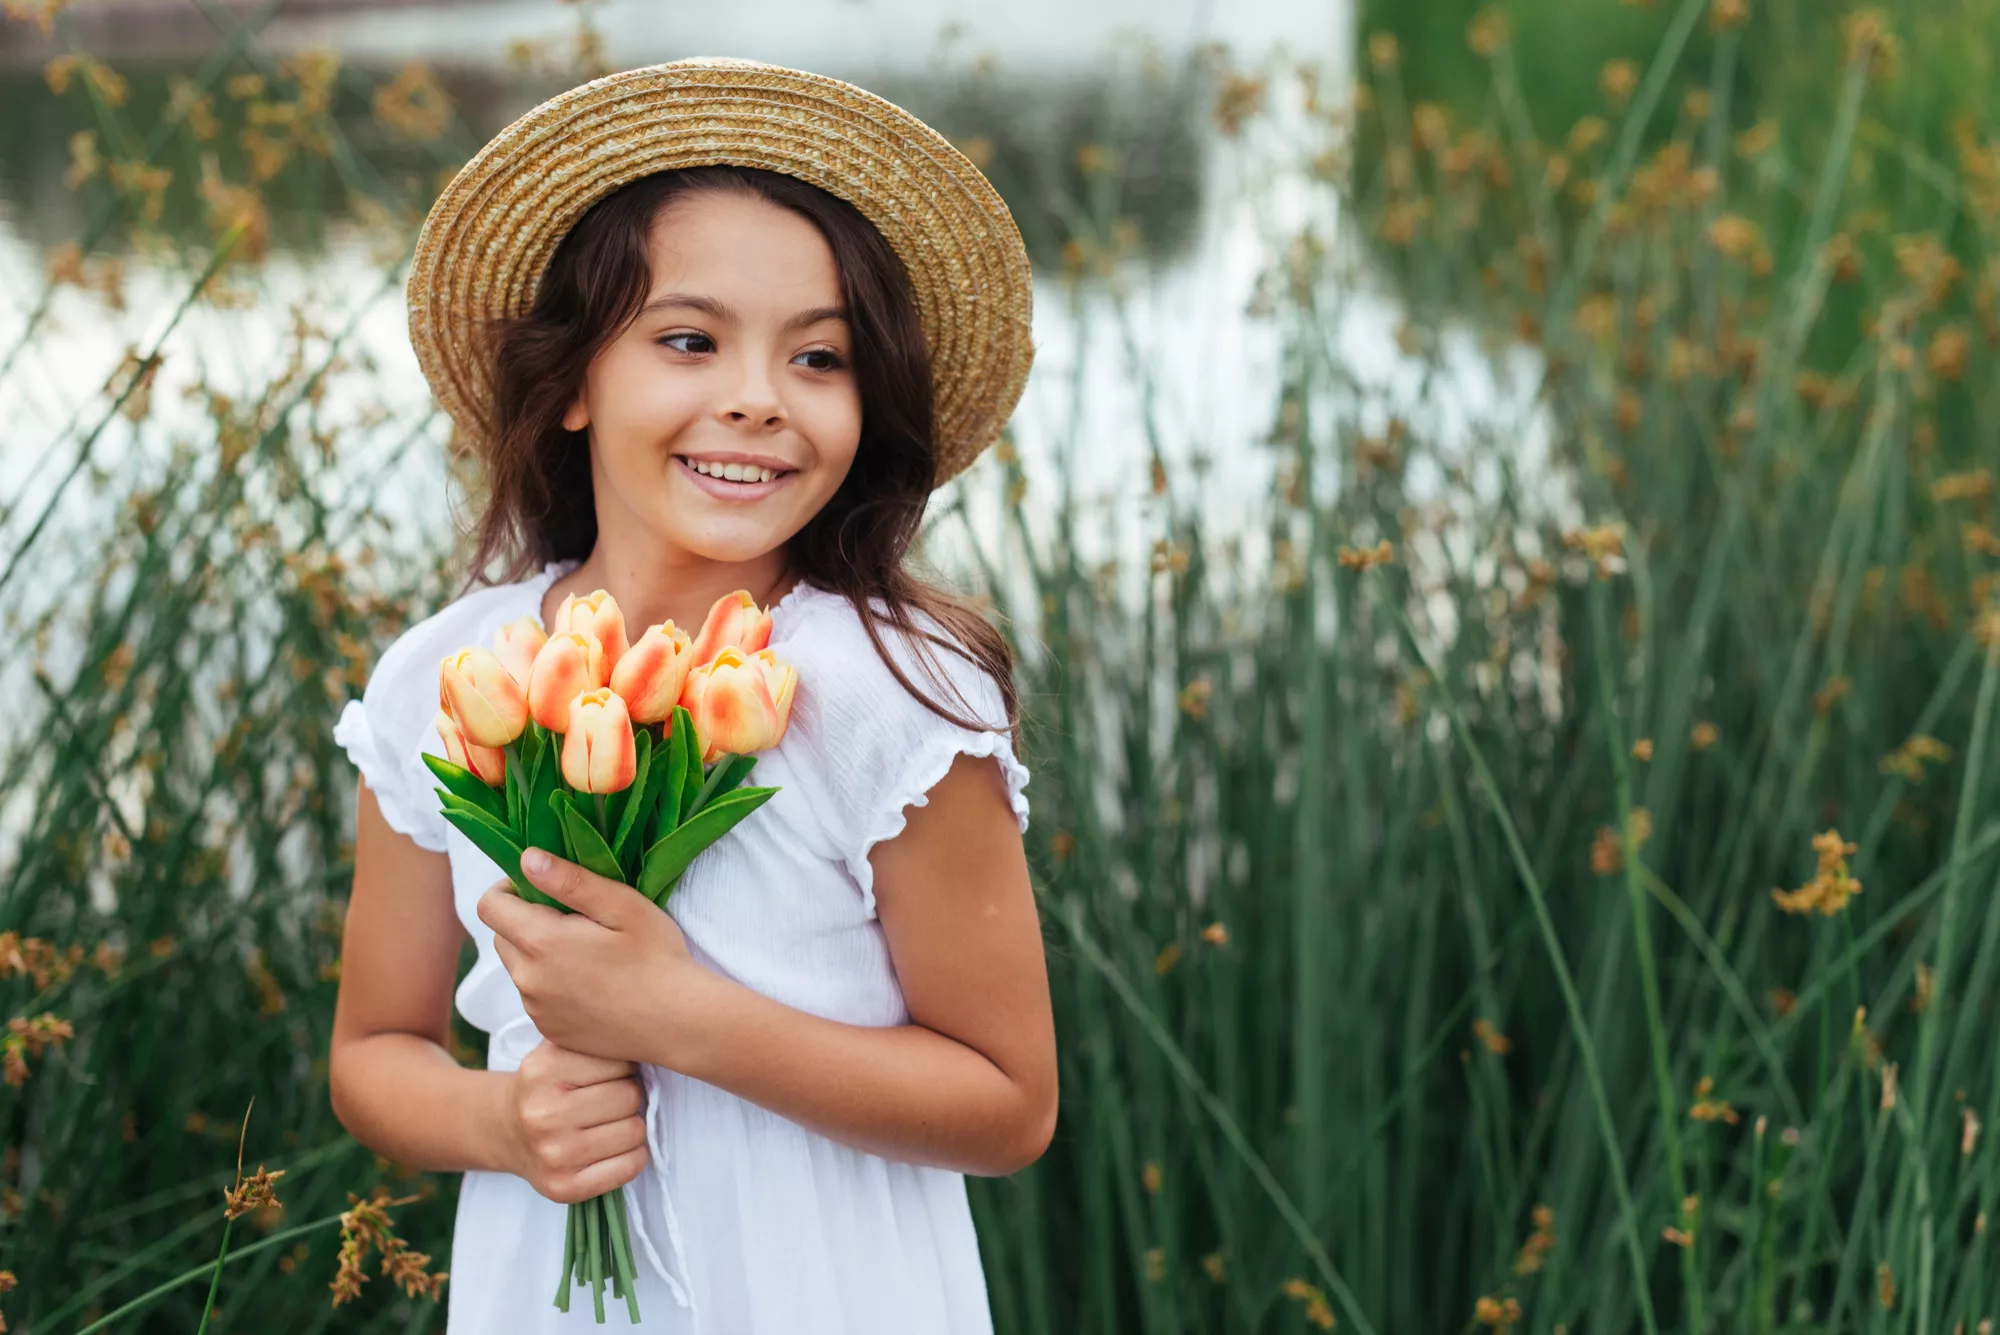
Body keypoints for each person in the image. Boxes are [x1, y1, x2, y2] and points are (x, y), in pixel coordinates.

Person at [327, 58, 1054, 1333]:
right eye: (686, 339)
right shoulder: (446, 675)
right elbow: (374, 1054)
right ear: (566, 382)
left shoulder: (884, 691)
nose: (756, 399)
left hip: (827, 1292)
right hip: (545, 1293)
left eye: (819, 358)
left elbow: (1005, 1105)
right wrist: (501, 1121)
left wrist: (677, 1018)